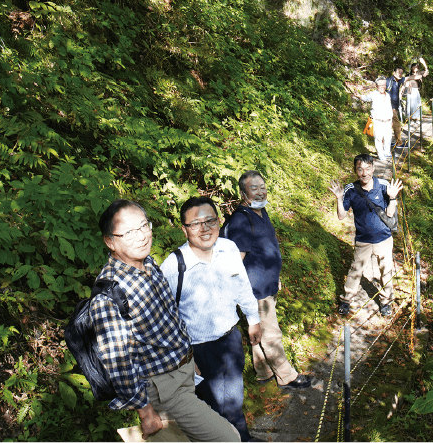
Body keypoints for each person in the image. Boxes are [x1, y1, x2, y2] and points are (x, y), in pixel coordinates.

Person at [90, 199, 240, 443]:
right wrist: (145, 411)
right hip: (163, 388)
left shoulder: (148, 264)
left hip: (183, 372)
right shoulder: (110, 295)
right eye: (128, 232)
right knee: (228, 438)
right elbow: (119, 362)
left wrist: (188, 356)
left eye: (143, 226)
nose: (140, 236)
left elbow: (171, 316)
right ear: (110, 241)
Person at [160, 196, 263, 443]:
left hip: (230, 340)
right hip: (198, 350)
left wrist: (253, 318)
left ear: (219, 222)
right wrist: (184, 357)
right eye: (195, 224)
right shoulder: (174, 266)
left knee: (235, 398)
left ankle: (243, 438)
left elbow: (242, 284)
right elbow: (165, 319)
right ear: (184, 229)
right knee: (212, 409)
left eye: (210, 220)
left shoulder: (228, 248)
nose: (204, 229)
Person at [223, 171, 312, 390]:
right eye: (254, 188)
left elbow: (267, 249)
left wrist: (276, 278)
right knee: (271, 333)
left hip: (267, 284)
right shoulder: (241, 220)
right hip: (255, 290)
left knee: (260, 331)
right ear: (243, 193)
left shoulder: (261, 211)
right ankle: (287, 376)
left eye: (262, 186)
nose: (261, 191)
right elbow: (236, 262)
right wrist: (242, 292)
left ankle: (263, 372)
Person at [328, 154, 403, 317]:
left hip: (384, 238)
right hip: (363, 239)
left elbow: (390, 215)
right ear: (355, 171)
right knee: (356, 269)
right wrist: (340, 199)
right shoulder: (350, 189)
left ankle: (386, 302)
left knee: (386, 271)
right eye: (360, 169)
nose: (364, 173)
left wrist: (392, 197)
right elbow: (341, 216)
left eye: (368, 169)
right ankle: (346, 300)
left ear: (373, 168)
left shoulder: (383, 185)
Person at [354, 77, 393, 161]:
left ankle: (387, 152)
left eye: (384, 85)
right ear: (376, 86)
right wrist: (358, 95)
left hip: (388, 121)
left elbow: (390, 108)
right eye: (380, 85)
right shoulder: (374, 94)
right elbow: (366, 98)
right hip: (377, 121)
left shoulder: (388, 95)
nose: (383, 87)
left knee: (388, 137)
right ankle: (381, 154)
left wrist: (391, 120)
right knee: (378, 138)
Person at [403, 57, 429, 127]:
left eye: (417, 67)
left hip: (416, 90)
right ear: (411, 67)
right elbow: (404, 83)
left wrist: (424, 64)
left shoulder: (419, 73)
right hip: (409, 90)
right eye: (414, 66)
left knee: (417, 105)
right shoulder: (408, 75)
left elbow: (426, 72)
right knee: (409, 105)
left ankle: (417, 119)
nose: (415, 68)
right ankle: (410, 119)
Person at [386, 66, 405, 147]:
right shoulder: (388, 81)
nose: (400, 74)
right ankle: (399, 142)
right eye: (399, 72)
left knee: (392, 125)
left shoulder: (399, 81)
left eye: (401, 72)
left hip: (394, 107)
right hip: (389, 107)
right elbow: (378, 85)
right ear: (394, 72)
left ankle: (392, 142)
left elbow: (410, 77)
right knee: (396, 125)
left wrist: (423, 73)